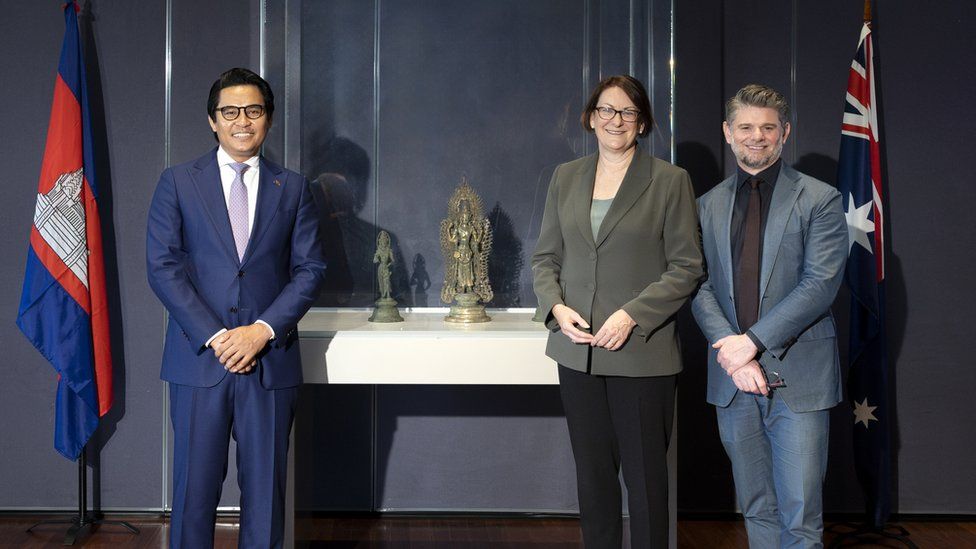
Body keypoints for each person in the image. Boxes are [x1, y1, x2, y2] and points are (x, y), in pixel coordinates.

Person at [146, 67, 326, 548]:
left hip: (269, 362)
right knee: (193, 496)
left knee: (266, 497)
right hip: (200, 359)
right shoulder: (179, 182)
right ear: (212, 120)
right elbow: (162, 267)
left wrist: (260, 331)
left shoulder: (294, 187)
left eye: (254, 110)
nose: (241, 121)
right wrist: (218, 336)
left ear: (267, 119)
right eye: (230, 111)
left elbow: (310, 270)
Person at [532, 75, 703, 548]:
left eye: (628, 113)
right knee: (593, 482)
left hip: (641, 354)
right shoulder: (565, 177)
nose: (615, 120)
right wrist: (557, 309)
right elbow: (545, 258)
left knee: (647, 486)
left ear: (642, 123)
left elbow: (687, 267)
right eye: (606, 110)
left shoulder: (670, 181)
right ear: (590, 118)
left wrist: (632, 315)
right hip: (577, 351)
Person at [692, 84, 848, 548]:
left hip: (798, 380)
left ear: (785, 133)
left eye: (767, 127)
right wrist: (734, 354)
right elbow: (697, 286)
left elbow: (819, 286)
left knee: (800, 518)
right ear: (727, 132)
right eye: (745, 127)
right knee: (758, 508)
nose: (755, 136)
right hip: (732, 382)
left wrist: (751, 343)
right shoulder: (706, 204)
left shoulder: (819, 198)